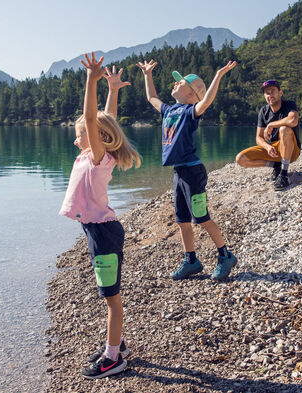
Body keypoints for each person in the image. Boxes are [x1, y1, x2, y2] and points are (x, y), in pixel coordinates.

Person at [59, 53, 141, 379]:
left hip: (103, 234)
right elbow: (108, 119)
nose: (77, 138)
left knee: (112, 300)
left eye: (80, 134)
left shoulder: (97, 156)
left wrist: (91, 80)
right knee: (110, 296)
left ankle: (113, 357)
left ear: (97, 139)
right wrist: (114, 90)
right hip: (99, 231)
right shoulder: (95, 153)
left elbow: (94, 119)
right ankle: (117, 345)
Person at [136, 58, 239, 281]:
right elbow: (151, 97)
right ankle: (191, 260)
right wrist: (147, 75)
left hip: (193, 172)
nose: (175, 84)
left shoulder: (190, 111)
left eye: (180, 82)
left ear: (192, 93)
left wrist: (218, 76)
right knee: (182, 220)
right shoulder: (169, 110)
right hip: (179, 172)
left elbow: (208, 100)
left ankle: (225, 255)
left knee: (201, 217)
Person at [235, 80, 301, 191]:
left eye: (273, 91)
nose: (270, 95)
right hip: (274, 151)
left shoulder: (289, 105)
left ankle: (284, 175)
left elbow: (293, 120)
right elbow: (258, 137)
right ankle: (276, 165)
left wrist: (271, 125)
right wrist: (267, 147)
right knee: (240, 159)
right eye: (267, 93)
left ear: (280, 93)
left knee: (284, 129)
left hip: (292, 150)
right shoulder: (263, 111)